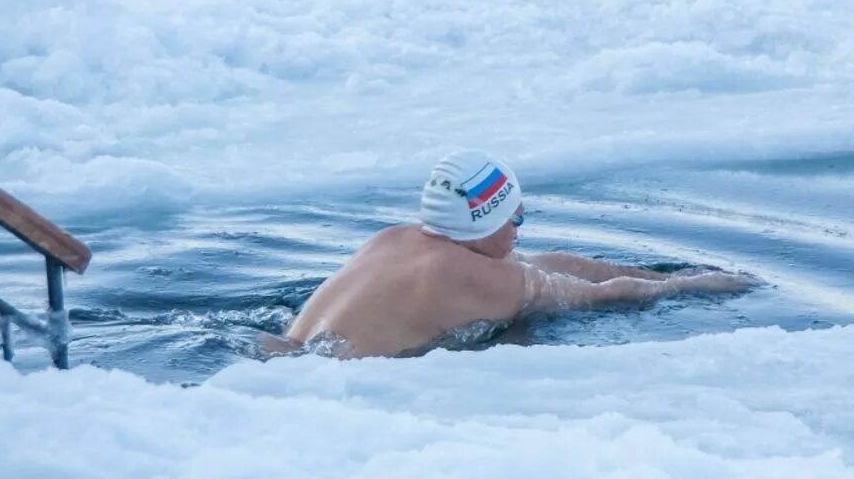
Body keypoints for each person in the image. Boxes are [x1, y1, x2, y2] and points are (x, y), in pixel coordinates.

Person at [284, 150, 755, 358]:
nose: (519, 231)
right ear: (487, 220)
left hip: (281, 355)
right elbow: (599, 295)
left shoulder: (396, 239)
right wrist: (687, 285)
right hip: (329, 383)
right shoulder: (481, 279)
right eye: (516, 219)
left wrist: (650, 270)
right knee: (521, 340)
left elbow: (544, 264)